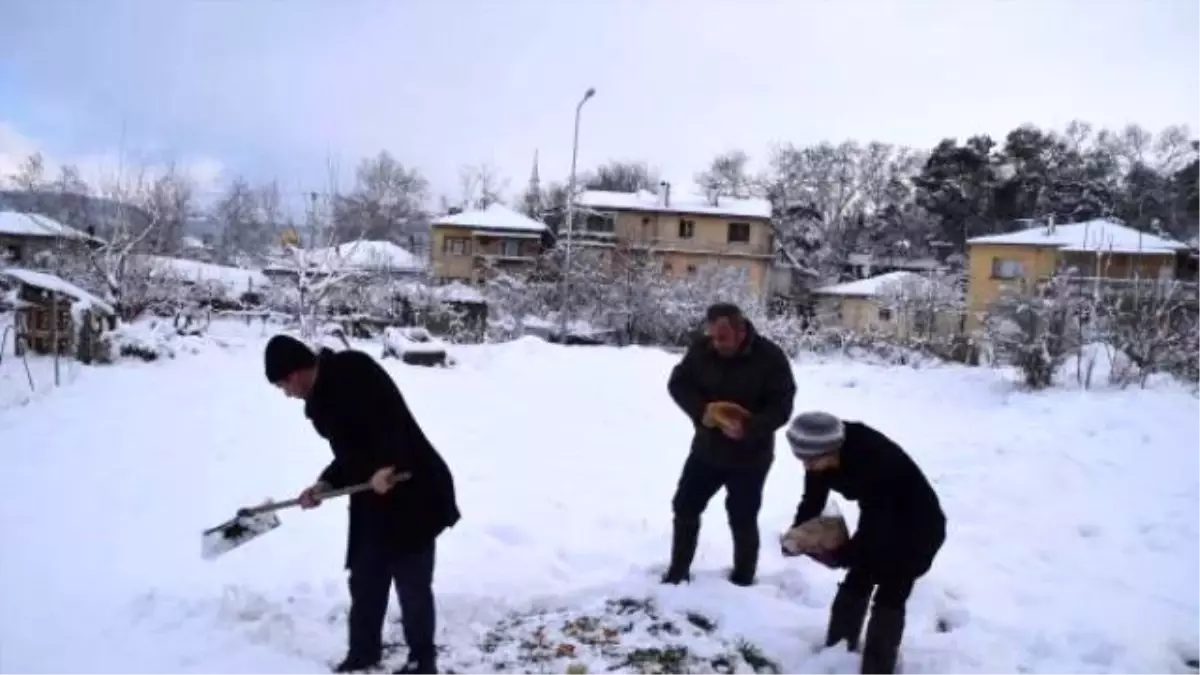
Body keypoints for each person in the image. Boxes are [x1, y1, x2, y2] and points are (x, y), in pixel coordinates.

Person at [264, 334, 461, 675]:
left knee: (411, 581)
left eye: (283, 384)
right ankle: (363, 653)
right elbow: (351, 456)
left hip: (413, 487)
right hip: (373, 497)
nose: (286, 393)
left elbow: (392, 420)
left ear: (294, 373)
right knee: (366, 576)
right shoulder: (320, 406)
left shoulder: (354, 369)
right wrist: (324, 484)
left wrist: (388, 464)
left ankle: (422, 662)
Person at [783, 411, 946, 675]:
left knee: (891, 592)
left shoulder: (873, 459)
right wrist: (798, 534)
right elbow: (812, 499)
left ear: (832, 450)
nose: (806, 467)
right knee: (858, 578)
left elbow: (878, 518)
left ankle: (877, 668)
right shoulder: (818, 451)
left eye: (811, 461)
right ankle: (837, 651)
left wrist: (849, 552)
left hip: (918, 527)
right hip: (880, 517)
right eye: (801, 460)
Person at [662, 302, 797, 587]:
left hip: (751, 456)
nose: (716, 342)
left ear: (740, 330)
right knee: (685, 506)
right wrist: (702, 411)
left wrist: (750, 428)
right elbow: (678, 383)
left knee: (742, 516)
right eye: (712, 335)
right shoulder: (702, 350)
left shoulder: (770, 358)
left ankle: (743, 579)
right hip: (707, 449)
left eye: (722, 336)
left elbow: (782, 406)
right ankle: (677, 573)